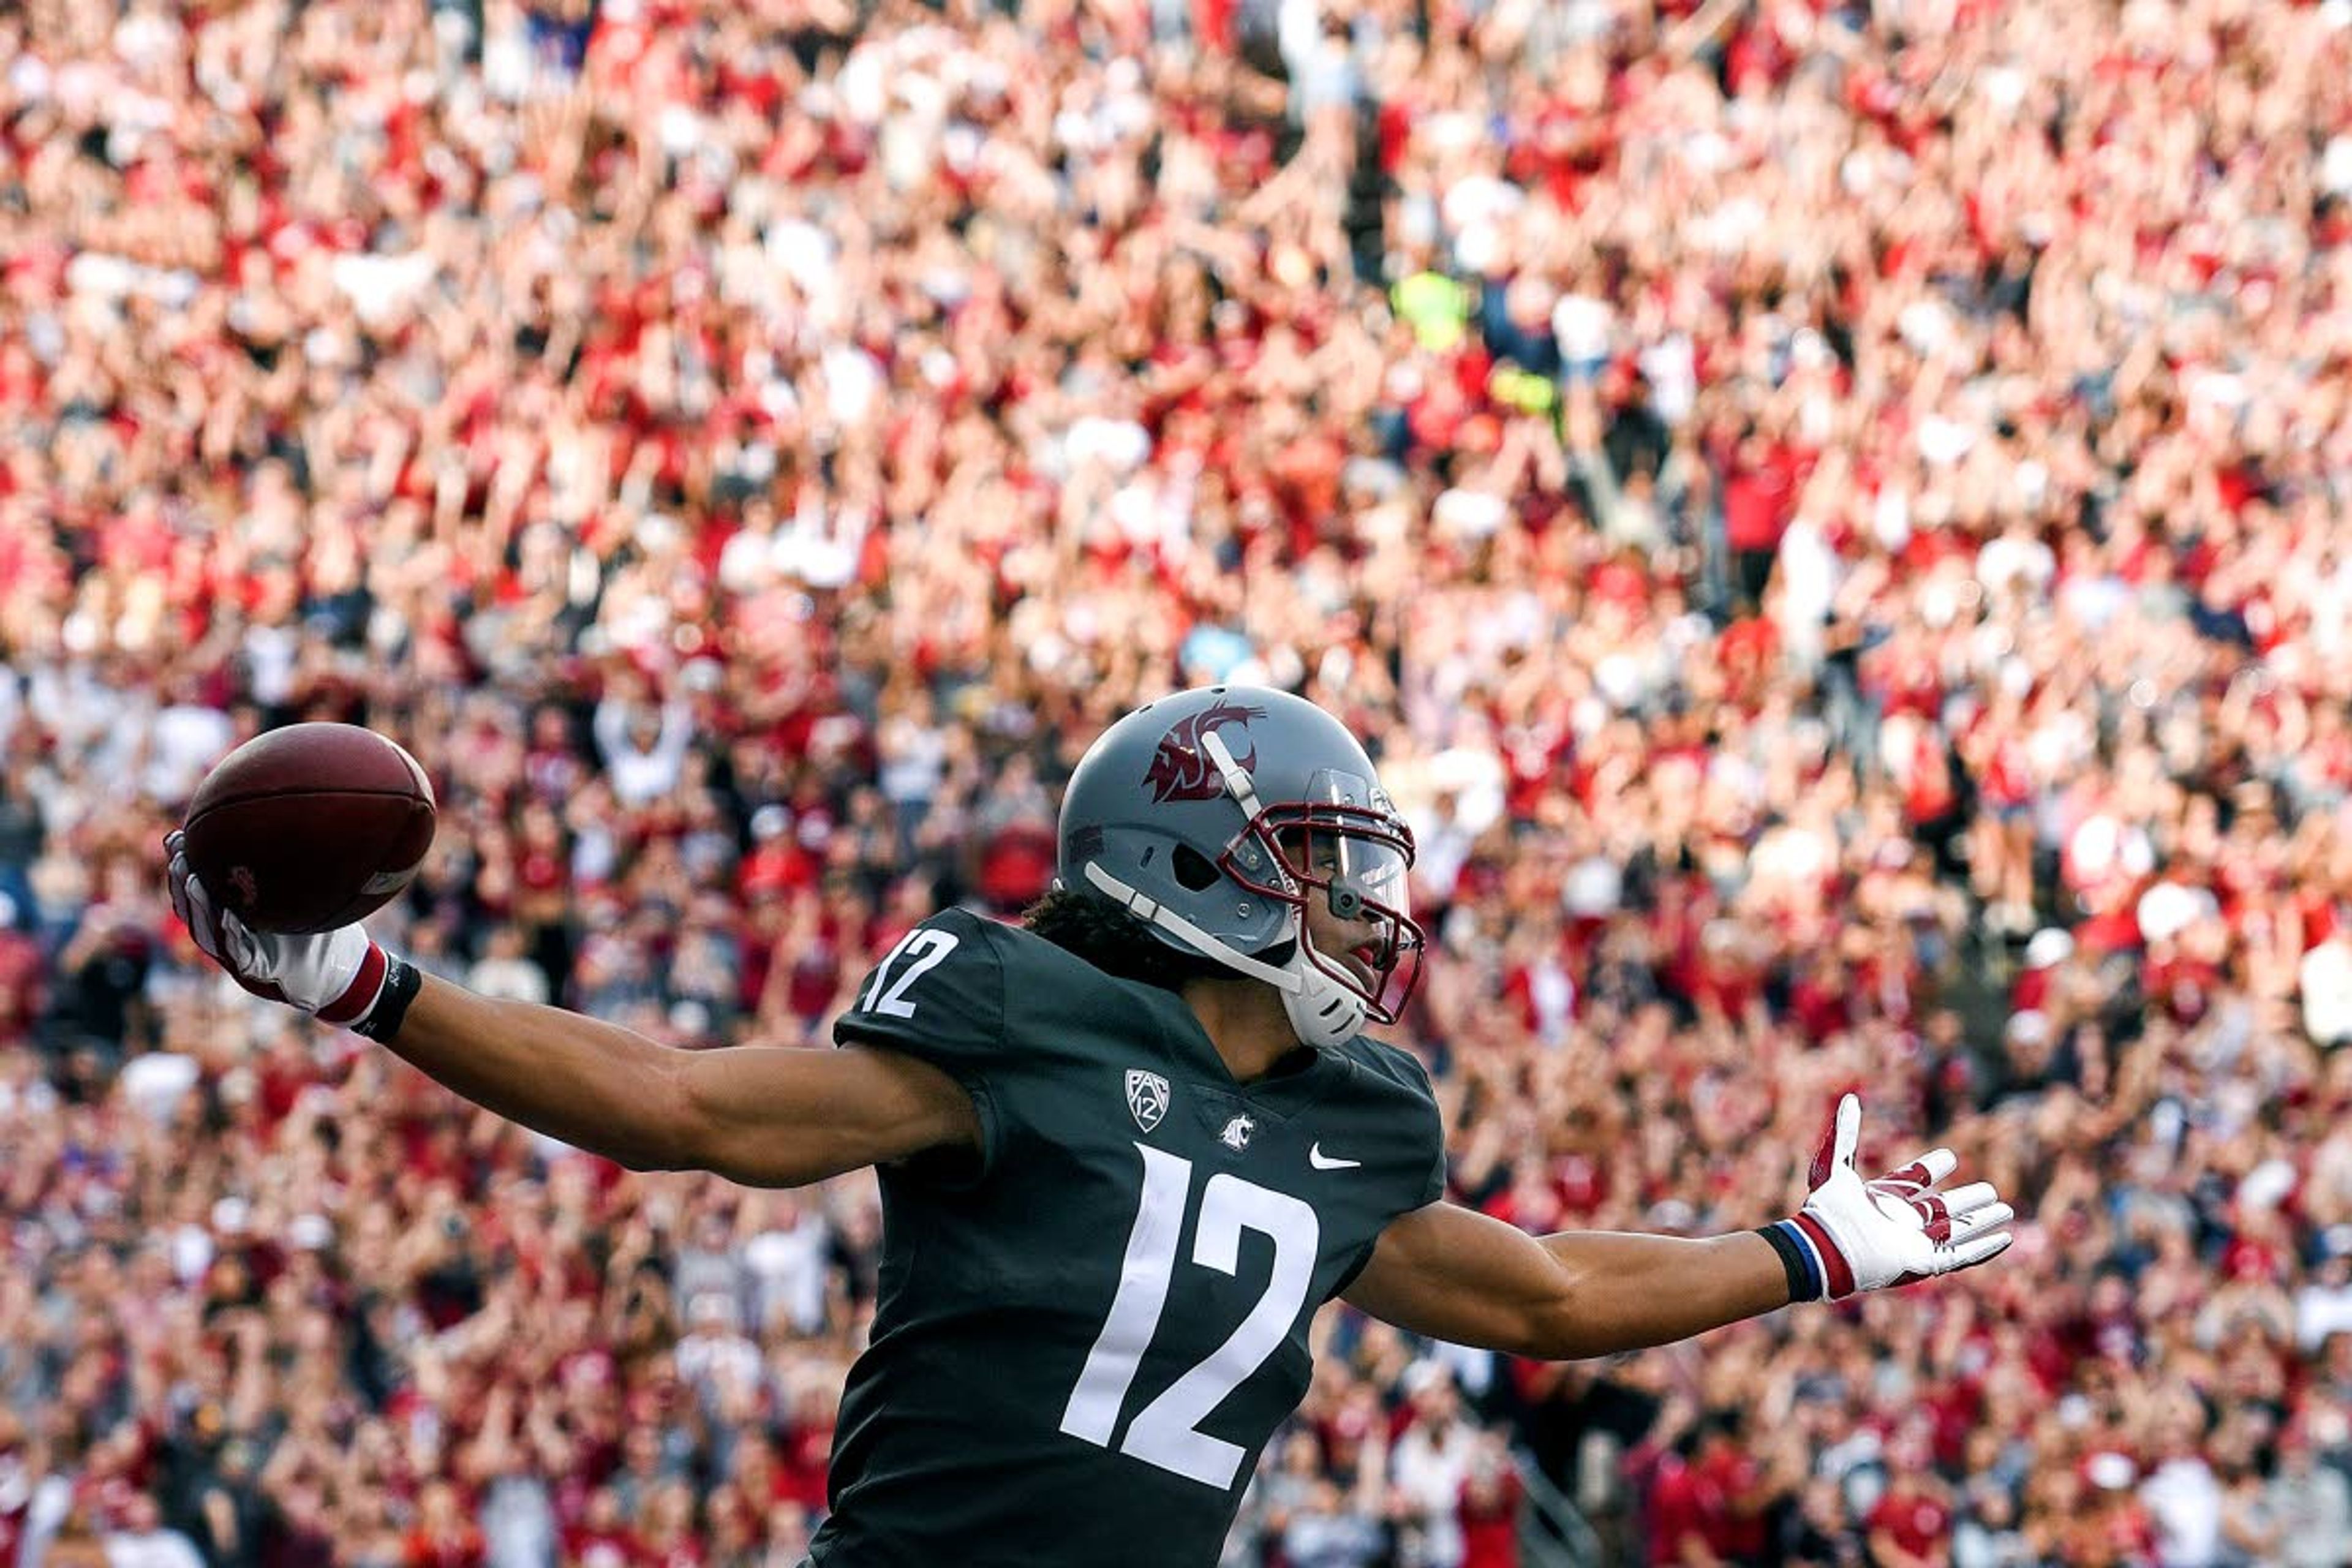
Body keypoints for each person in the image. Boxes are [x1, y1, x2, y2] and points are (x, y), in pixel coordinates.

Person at [164, 685, 2013, 1568]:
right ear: (1194, 860)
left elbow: (1539, 1296)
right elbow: (686, 1106)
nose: (1366, 917)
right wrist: (364, 990)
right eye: (1322, 868)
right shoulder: (1018, 1018)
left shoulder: (1353, 1113)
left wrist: (1807, 1252)